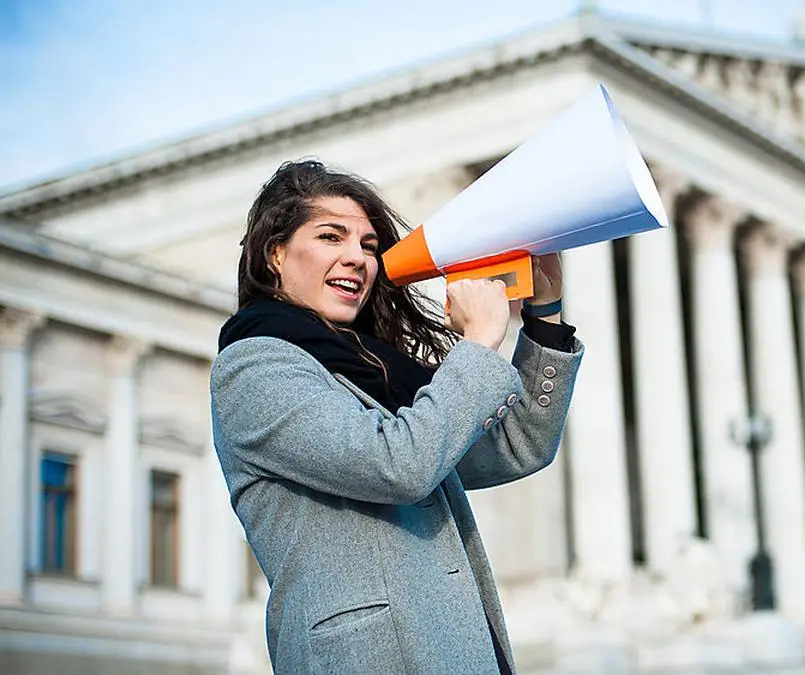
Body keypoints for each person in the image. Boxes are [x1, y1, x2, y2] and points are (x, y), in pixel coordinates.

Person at [209, 159, 583, 674]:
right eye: (330, 237)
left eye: (367, 246)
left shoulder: (381, 370)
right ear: (276, 254)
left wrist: (545, 316)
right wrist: (476, 343)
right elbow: (398, 464)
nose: (356, 258)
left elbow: (518, 444)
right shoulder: (254, 367)